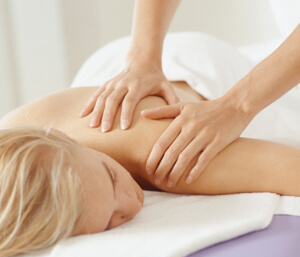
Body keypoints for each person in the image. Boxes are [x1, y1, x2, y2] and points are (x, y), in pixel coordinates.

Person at [0, 74, 300, 257]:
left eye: (113, 177)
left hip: (192, 70)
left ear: (69, 138)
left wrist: (237, 106)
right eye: (111, 220)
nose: (132, 205)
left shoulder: (169, 152)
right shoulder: (12, 145)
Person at [79, 0, 300, 188]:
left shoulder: (146, 141)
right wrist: (142, 58)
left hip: (197, 64)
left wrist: (237, 106)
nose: (131, 206)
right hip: (143, 58)